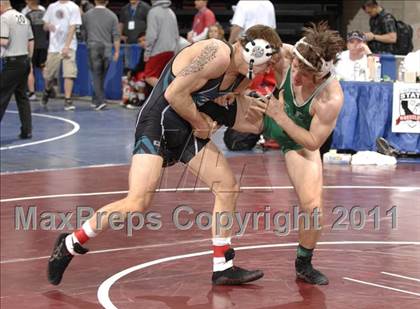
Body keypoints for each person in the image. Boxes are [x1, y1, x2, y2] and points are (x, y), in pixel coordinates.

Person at [47, 24, 283, 286]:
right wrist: (202, 124)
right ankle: (70, 243)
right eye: (267, 63)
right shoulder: (217, 53)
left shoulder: (244, 77)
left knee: (227, 188)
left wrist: (217, 119)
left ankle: (222, 266)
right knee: (137, 202)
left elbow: (217, 105)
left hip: (185, 126)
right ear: (254, 54)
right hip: (158, 120)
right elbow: (174, 93)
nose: (268, 70)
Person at [236, 22, 345, 285]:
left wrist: (280, 116)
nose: (295, 77)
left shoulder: (330, 97)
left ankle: (303, 262)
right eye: (295, 68)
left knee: (313, 207)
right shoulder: (284, 54)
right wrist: (237, 90)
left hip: (297, 138)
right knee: (212, 110)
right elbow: (241, 53)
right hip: (267, 116)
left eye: (304, 75)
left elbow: (312, 141)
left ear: (320, 74)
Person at [0, 0, 34, 139]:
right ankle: (27, 130)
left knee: (1, 97)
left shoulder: (4, 18)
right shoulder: (23, 17)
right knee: (22, 97)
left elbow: (4, 41)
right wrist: (29, 60)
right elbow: (31, 40)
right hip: (24, 60)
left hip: (12, 62)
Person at [41, 0, 82, 111]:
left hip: (69, 46)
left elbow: (73, 27)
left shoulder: (73, 7)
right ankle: (47, 90)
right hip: (54, 47)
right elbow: (44, 25)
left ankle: (67, 99)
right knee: (49, 75)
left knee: (69, 73)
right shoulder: (52, 6)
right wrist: (48, 26)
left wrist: (67, 46)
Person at [83, 0, 120, 110]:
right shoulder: (112, 16)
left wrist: (87, 42)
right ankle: (96, 100)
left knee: (96, 75)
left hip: (93, 46)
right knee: (101, 76)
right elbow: (116, 35)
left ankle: (100, 101)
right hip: (107, 49)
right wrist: (117, 51)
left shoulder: (87, 15)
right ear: (107, 2)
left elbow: (84, 32)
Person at [143, 0, 178, 87]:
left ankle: (169, 94)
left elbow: (151, 35)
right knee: (163, 78)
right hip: (171, 51)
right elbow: (176, 35)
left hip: (157, 51)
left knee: (149, 76)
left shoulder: (153, 12)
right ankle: (168, 96)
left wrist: (147, 53)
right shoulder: (171, 12)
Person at [25, 0, 49, 101]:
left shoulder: (27, 15)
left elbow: (26, 33)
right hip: (44, 46)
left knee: (30, 69)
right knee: (44, 69)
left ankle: (32, 93)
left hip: (32, 47)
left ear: (29, 3)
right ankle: (47, 90)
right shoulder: (45, 15)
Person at [119, 0, 150, 69]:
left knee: (140, 64)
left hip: (141, 43)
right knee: (128, 64)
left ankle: (139, 78)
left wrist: (146, 37)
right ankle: (129, 76)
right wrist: (120, 35)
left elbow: (150, 24)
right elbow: (121, 23)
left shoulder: (146, 7)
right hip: (128, 42)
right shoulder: (124, 8)